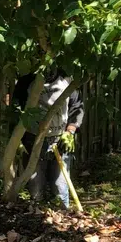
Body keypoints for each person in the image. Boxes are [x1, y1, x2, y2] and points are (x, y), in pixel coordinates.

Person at [14, 69, 84, 208]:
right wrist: (18, 141)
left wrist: (70, 131)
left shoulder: (67, 79)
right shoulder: (26, 82)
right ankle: (37, 218)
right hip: (33, 140)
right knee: (35, 187)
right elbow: (16, 109)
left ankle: (63, 217)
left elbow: (77, 106)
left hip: (60, 140)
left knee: (60, 187)